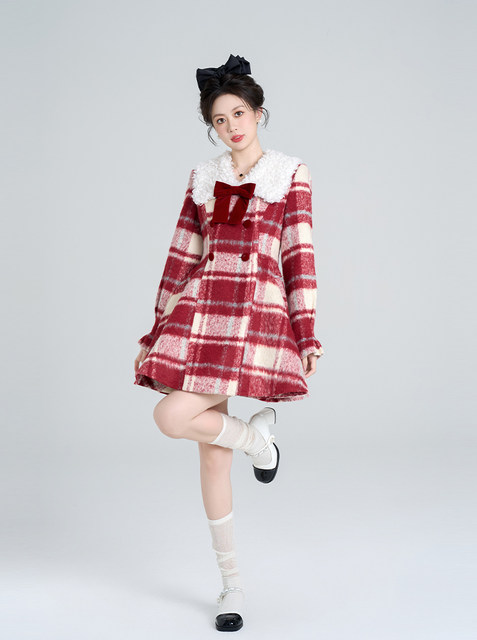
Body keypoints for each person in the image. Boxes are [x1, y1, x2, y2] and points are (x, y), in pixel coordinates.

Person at [133, 53, 324, 632]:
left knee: (175, 417)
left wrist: (307, 332)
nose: (232, 126)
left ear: (259, 112)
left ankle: (257, 442)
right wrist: (154, 330)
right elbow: (181, 256)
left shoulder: (288, 173)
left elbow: (298, 256)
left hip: (252, 315)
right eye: (220, 119)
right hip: (200, 313)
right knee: (211, 454)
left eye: (239, 113)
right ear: (211, 127)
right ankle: (232, 586)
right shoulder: (203, 177)